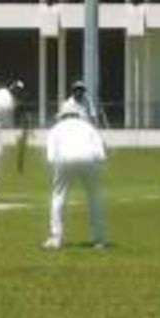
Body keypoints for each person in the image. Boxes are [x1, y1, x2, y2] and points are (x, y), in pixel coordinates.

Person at [43, 107, 109, 250]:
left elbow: (50, 158)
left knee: (58, 196)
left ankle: (55, 238)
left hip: (65, 159)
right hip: (89, 158)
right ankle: (99, 239)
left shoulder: (55, 129)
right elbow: (101, 155)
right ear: (80, 115)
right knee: (95, 197)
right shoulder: (89, 127)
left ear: (61, 116)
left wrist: (58, 175)